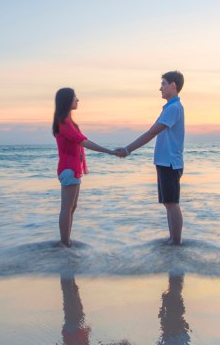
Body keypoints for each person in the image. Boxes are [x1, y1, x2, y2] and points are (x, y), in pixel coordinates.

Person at [115, 71, 186, 244]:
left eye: (163, 84)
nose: (160, 88)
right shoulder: (170, 107)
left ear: (173, 86)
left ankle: (176, 243)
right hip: (164, 162)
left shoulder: (174, 108)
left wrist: (128, 149)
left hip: (169, 162)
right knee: (168, 203)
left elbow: (152, 132)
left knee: (172, 203)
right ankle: (173, 241)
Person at [53, 87, 117, 247]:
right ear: (67, 100)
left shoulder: (68, 122)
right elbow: (83, 141)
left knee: (71, 207)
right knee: (67, 208)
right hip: (69, 169)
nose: (78, 100)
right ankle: (65, 243)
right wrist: (109, 151)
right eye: (75, 97)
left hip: (73, 169)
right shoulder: (64, 123)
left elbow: (81, 141)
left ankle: (66, 242)